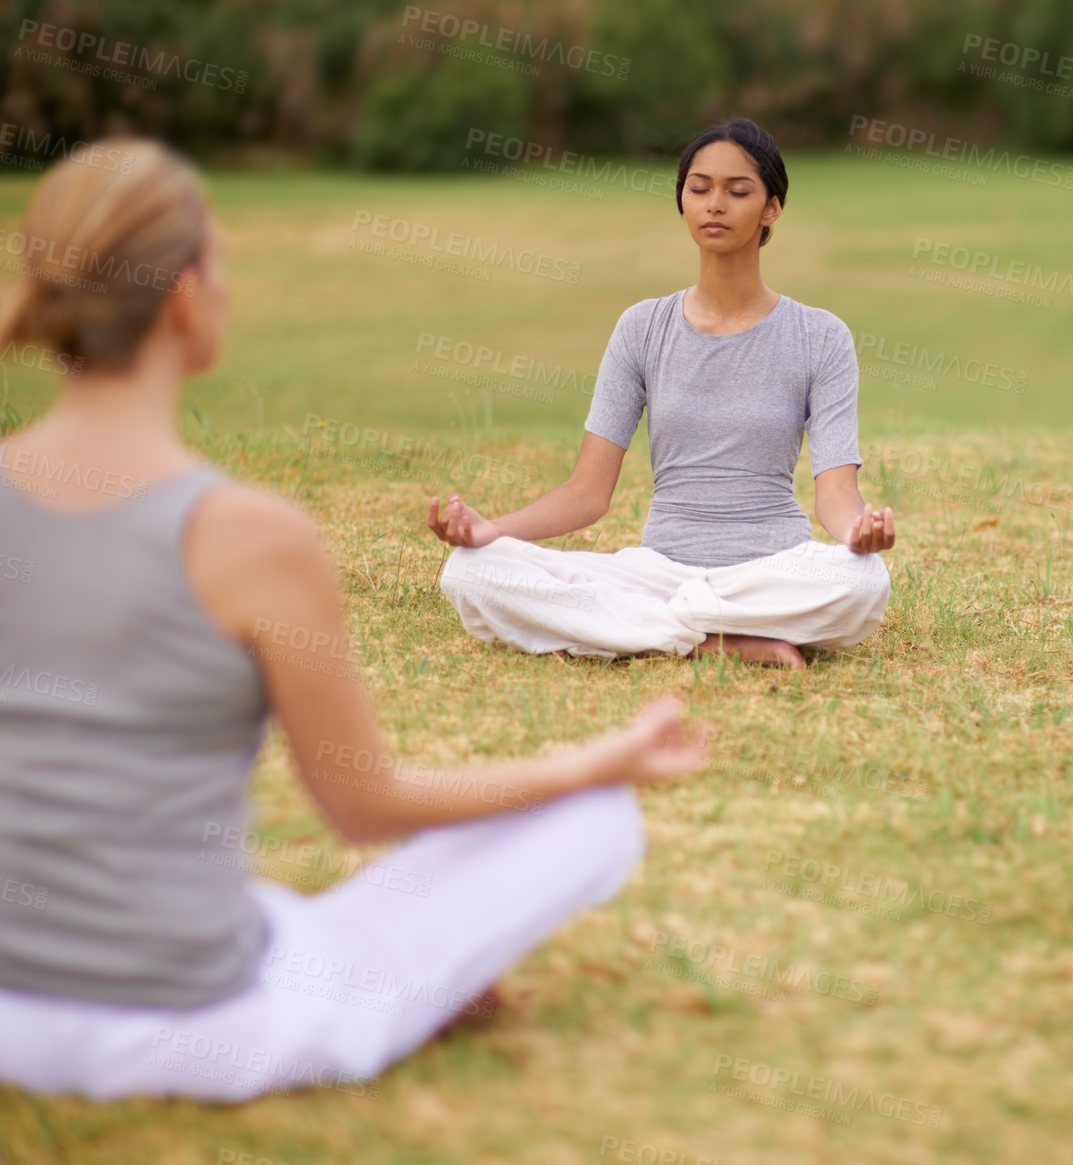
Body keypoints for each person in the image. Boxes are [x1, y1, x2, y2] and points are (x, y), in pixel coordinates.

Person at [0, 139, 709, 1103]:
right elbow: (362, 804)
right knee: (592, 819)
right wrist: (591, 763)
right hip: (194, 1029)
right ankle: (412, 984)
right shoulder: (249, 535)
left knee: (250, 904)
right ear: (181, 298)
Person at [429, 119, 894, 671]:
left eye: (737, 191)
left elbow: (835, 495)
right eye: (699, 189)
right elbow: (587, 492)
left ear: (771, 208)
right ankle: (714, 639)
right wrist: (488, 531)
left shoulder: (821, 336)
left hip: (773, 570)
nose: (714, 204)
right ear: (682, 201)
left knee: (865, 581)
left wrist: (857, 534)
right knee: (468, 569)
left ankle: (637, 630)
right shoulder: (641, 328)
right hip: (657, 572)